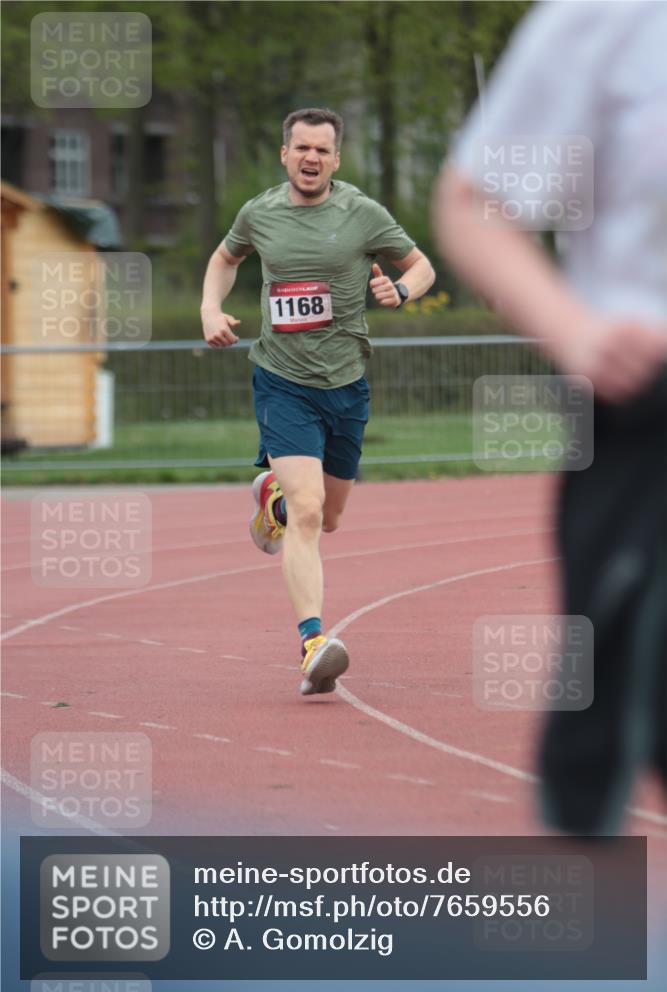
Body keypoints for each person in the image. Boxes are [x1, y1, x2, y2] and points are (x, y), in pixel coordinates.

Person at [435, 1, 667, 834]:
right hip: (644, 412)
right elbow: (475, 201)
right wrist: (578, 334)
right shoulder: (604, 21)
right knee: (606, 731)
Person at [201, 107, 435, 696]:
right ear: (285, 155)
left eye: (322, 150)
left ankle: (271, 502)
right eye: (301, 148)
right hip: (281, 380)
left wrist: (401, 288)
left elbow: (422, 264)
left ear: (336, 158)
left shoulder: (363, 214)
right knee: (310, 510)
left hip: (347, 385)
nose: (311, 158)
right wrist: (210, 307)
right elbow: (225, 259)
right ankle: (312, 644)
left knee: (326, 518)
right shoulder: (259, 213)